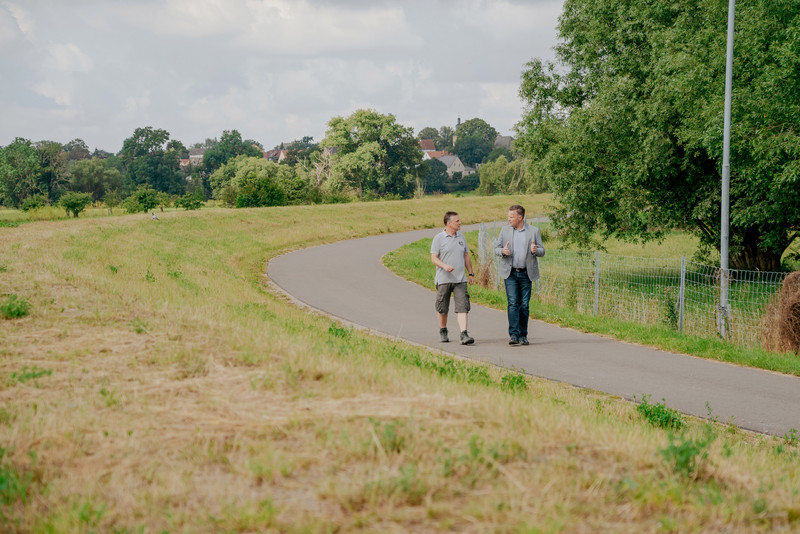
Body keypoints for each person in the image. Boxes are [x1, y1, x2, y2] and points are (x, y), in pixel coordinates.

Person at [493, 204, 545, 345]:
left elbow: (542, 251)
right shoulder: (505, 231)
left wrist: (535, 250)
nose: (508, 219)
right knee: (513, 303)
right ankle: (514, 335)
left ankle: (523, 335)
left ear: (520, 217)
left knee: (524, 305)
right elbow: (496, 248)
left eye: (511, 217)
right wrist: (502, 251)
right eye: (508, 217)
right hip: (510, 273)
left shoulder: (533, 231)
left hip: (526, 273)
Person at [430, 211, 475, 345]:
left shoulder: (461, 238)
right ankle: (443, 330)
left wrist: (471, 273)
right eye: (457, 221)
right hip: (444, 279)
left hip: (460, 279)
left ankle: (464, 334)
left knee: (463, 306)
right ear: (448, 223)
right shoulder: (438, 238)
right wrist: (444, 266)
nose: (460, 223)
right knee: (442, 308)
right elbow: (433, 258)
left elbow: (466, 256)